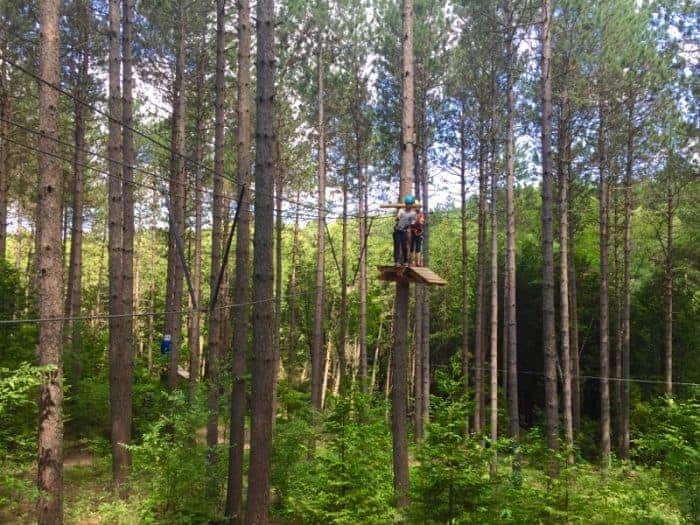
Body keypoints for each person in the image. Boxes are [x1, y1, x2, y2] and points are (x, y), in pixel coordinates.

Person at [394, 196, 417, 267]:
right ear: (406, 204)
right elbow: (397, 217)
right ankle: (396, 261)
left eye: (410, 204)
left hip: (404, 231)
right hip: (397, 230)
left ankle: (405, 261)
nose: (409, 206)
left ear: (412, 205)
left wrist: (412, 223)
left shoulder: (413, 213)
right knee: (397, 245)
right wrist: (397, 218)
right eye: (407, 204)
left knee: (404, 246)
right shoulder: (401, 211)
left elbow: (413, 222)